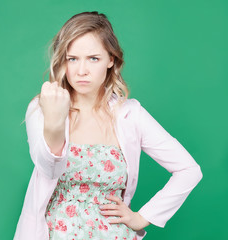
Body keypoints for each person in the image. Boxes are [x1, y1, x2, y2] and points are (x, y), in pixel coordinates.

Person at [13, 11, 203, 240]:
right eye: (72, 58)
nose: (81, 70)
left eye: (93, 58)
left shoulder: (130, 114)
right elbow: (49, 168)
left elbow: (189, 170)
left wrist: (142, 217)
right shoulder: (43, 106)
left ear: (111, 60)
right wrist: (54, 121)